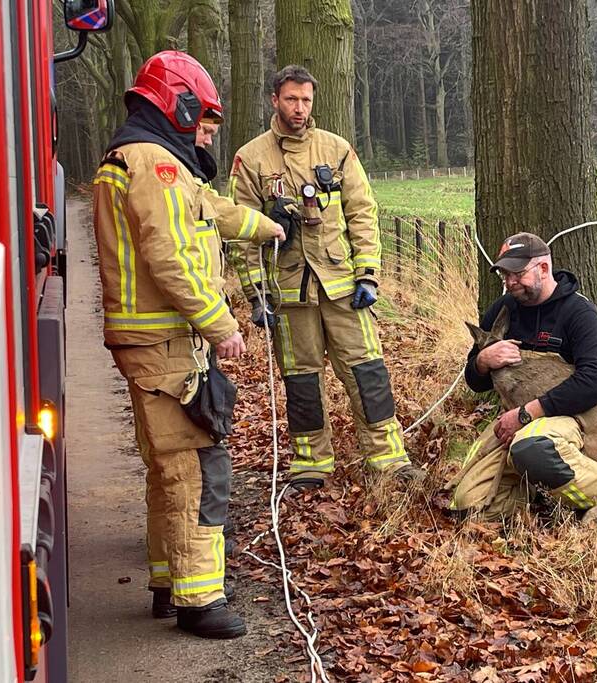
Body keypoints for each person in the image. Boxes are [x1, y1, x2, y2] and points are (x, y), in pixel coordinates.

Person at [92, 50, 280, 639]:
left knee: (165, 468)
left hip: (151, 341)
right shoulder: (155, 164)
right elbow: (171, 256)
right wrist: (221, 324)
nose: (205, 133)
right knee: (196, 468)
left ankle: (167, 582)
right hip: (167, 341)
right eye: (203, 120)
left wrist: (267, 225)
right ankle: (199, 602)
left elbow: (208, 212)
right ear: (178, 104)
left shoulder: (137, 159)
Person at [229, 65, 424, 491]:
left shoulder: (336, 150)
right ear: (273, 100)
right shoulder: (252, 158)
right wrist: (256, 294)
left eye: (306, 100)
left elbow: (363, 213)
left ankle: (389, 457)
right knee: (301, 379)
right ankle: (311, 462)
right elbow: (240, 233)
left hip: (341, 285)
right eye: (291, 99)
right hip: (289, 289)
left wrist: (368, 274)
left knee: (367, 371)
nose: (299, 108)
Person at [448, 233, 597, 522]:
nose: (510, 282)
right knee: (468, 505)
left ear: (543, 269)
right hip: (516, 420)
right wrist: (483, 361)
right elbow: (475, 382)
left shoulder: (578, 312)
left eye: (517, 274)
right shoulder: (502, 310)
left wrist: (526, 414)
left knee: (531, 447)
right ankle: (532, 489)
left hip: (571, 417)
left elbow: (594, 382)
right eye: (505, 275)